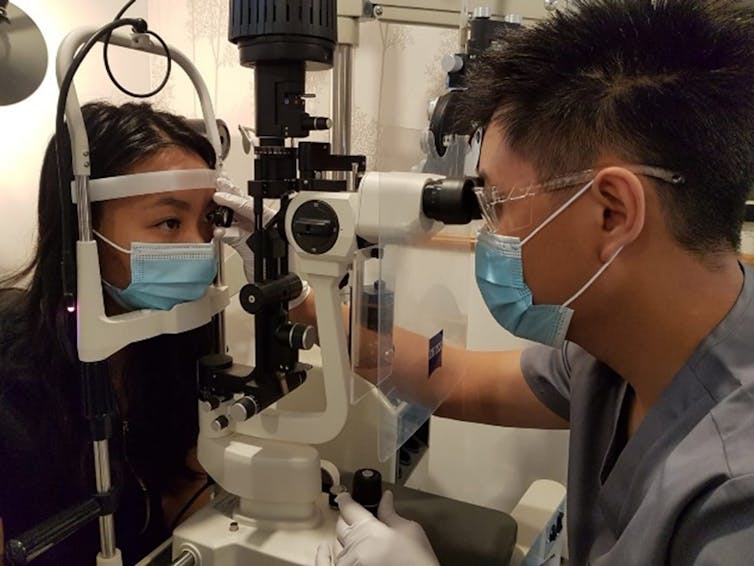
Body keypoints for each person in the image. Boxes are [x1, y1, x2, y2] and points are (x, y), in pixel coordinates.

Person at [303, 1, 754, 564]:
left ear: (611, 213)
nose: (488, 228)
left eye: (495, 202)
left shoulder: (735, 503)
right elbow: (461, 379)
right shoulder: (613, 353)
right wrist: (306, 297)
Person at [0, 101, 225, 564]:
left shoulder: (175, 340)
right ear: (81, 228)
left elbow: (182, 491)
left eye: (207, 221)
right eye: (169, 222)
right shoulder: (10, 383)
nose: (199, 247)